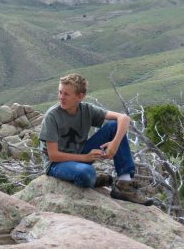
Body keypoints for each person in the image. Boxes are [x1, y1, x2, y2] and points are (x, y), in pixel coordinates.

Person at [39, 73, 153, 206]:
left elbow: (124, 118)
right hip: (56, 164)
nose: (61, 97)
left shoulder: (86, 110)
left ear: (80, 96)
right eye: (60, 92)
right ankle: (95, 180)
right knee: (86, 173)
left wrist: (114, 145)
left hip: (80, 153)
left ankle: (124, 184)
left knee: (114, 126)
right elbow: (53, 156)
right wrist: (86, 158)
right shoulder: (52, 116)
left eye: (66, 94)